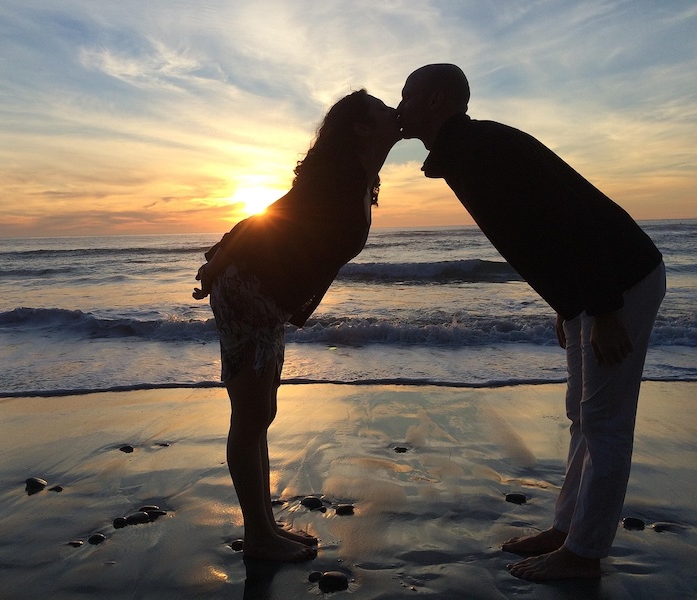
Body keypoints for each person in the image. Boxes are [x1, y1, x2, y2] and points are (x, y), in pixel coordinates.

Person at [397, 64, 665, 581]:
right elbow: (535, 240)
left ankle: (584, 556)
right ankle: (567, 529)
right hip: (594, 289)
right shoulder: (463, 151)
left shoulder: (481, 149)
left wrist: (604, 308)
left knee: (605, 424)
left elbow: (571, 219)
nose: (399, 106)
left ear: (436, 100)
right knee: (581, 415)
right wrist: (569, 305)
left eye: (407, 96)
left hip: (623, 280)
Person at [193, 89, 400, 562]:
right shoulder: (336, 177)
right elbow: (265, 218)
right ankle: (259, 538)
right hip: (247, 289)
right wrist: (217, 262)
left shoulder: (361, 178)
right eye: (385, 110)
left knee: (261, 411)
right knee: (250, 416)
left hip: (265, 295)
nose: (396, 114)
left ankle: (263, 525)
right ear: (361, 127)